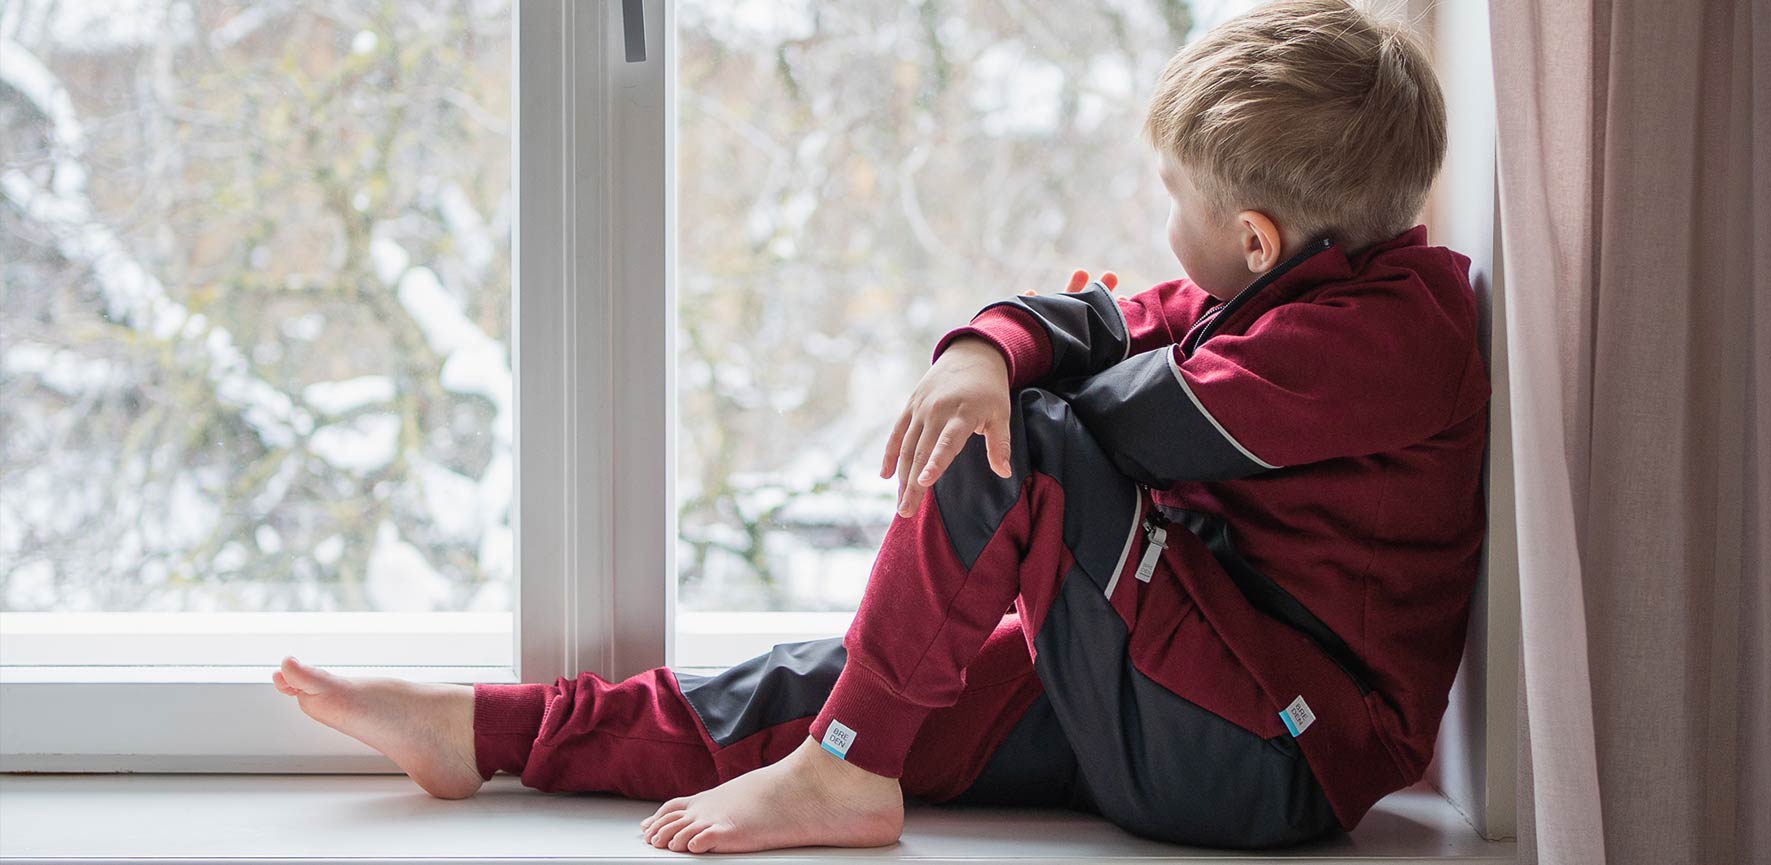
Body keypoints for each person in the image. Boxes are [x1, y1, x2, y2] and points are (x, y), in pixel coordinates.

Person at [271, 0, 1487, 854]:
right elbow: (1108, 320)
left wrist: (1018, 376)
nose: (1161, 225)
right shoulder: (1286, 286)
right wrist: (982, 346)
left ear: (1259, 238)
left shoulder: (1386, 341)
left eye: (1175, 199)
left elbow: (1110, 416)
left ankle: (847, 770)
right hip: (1179, 683)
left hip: (1268, 757)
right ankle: (487, 732)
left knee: (1025, 446)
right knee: (843, 682)